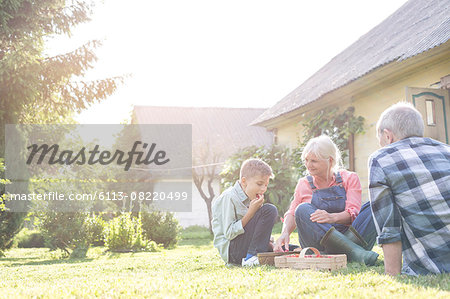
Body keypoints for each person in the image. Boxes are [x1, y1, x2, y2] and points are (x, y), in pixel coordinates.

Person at [369, 102, 450, 276]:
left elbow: (388, 226)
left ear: (387, 136)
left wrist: (393, 276)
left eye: (381, 142)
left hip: (432, 267)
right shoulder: (446, 151)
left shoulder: (381, 158)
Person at [274, 135, 378, 265]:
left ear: (329, 160)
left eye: (314, 161)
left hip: (350, 236)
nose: (308, 165)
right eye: (306, 160)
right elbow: (292, 213)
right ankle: (355, 252)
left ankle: (344, 252)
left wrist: (331, 217)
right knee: (302, 209)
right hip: (318, 243)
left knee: (374, 205)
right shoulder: (304, 183)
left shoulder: (350, 178)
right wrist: (284, 233)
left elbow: (353, 213)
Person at [211, 158, 278, 266]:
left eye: (265, 185)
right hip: (233, 252)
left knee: (283, 248)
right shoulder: (229, 197)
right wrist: (251, 212)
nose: (263, 189)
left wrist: (270, 243)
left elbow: (257, 229)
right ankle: (251, 258)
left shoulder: (251, 197)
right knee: (269, 210)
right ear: (244, 181)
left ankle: (258, 255)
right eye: (259, 184)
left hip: (247, 245)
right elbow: (229, 233)